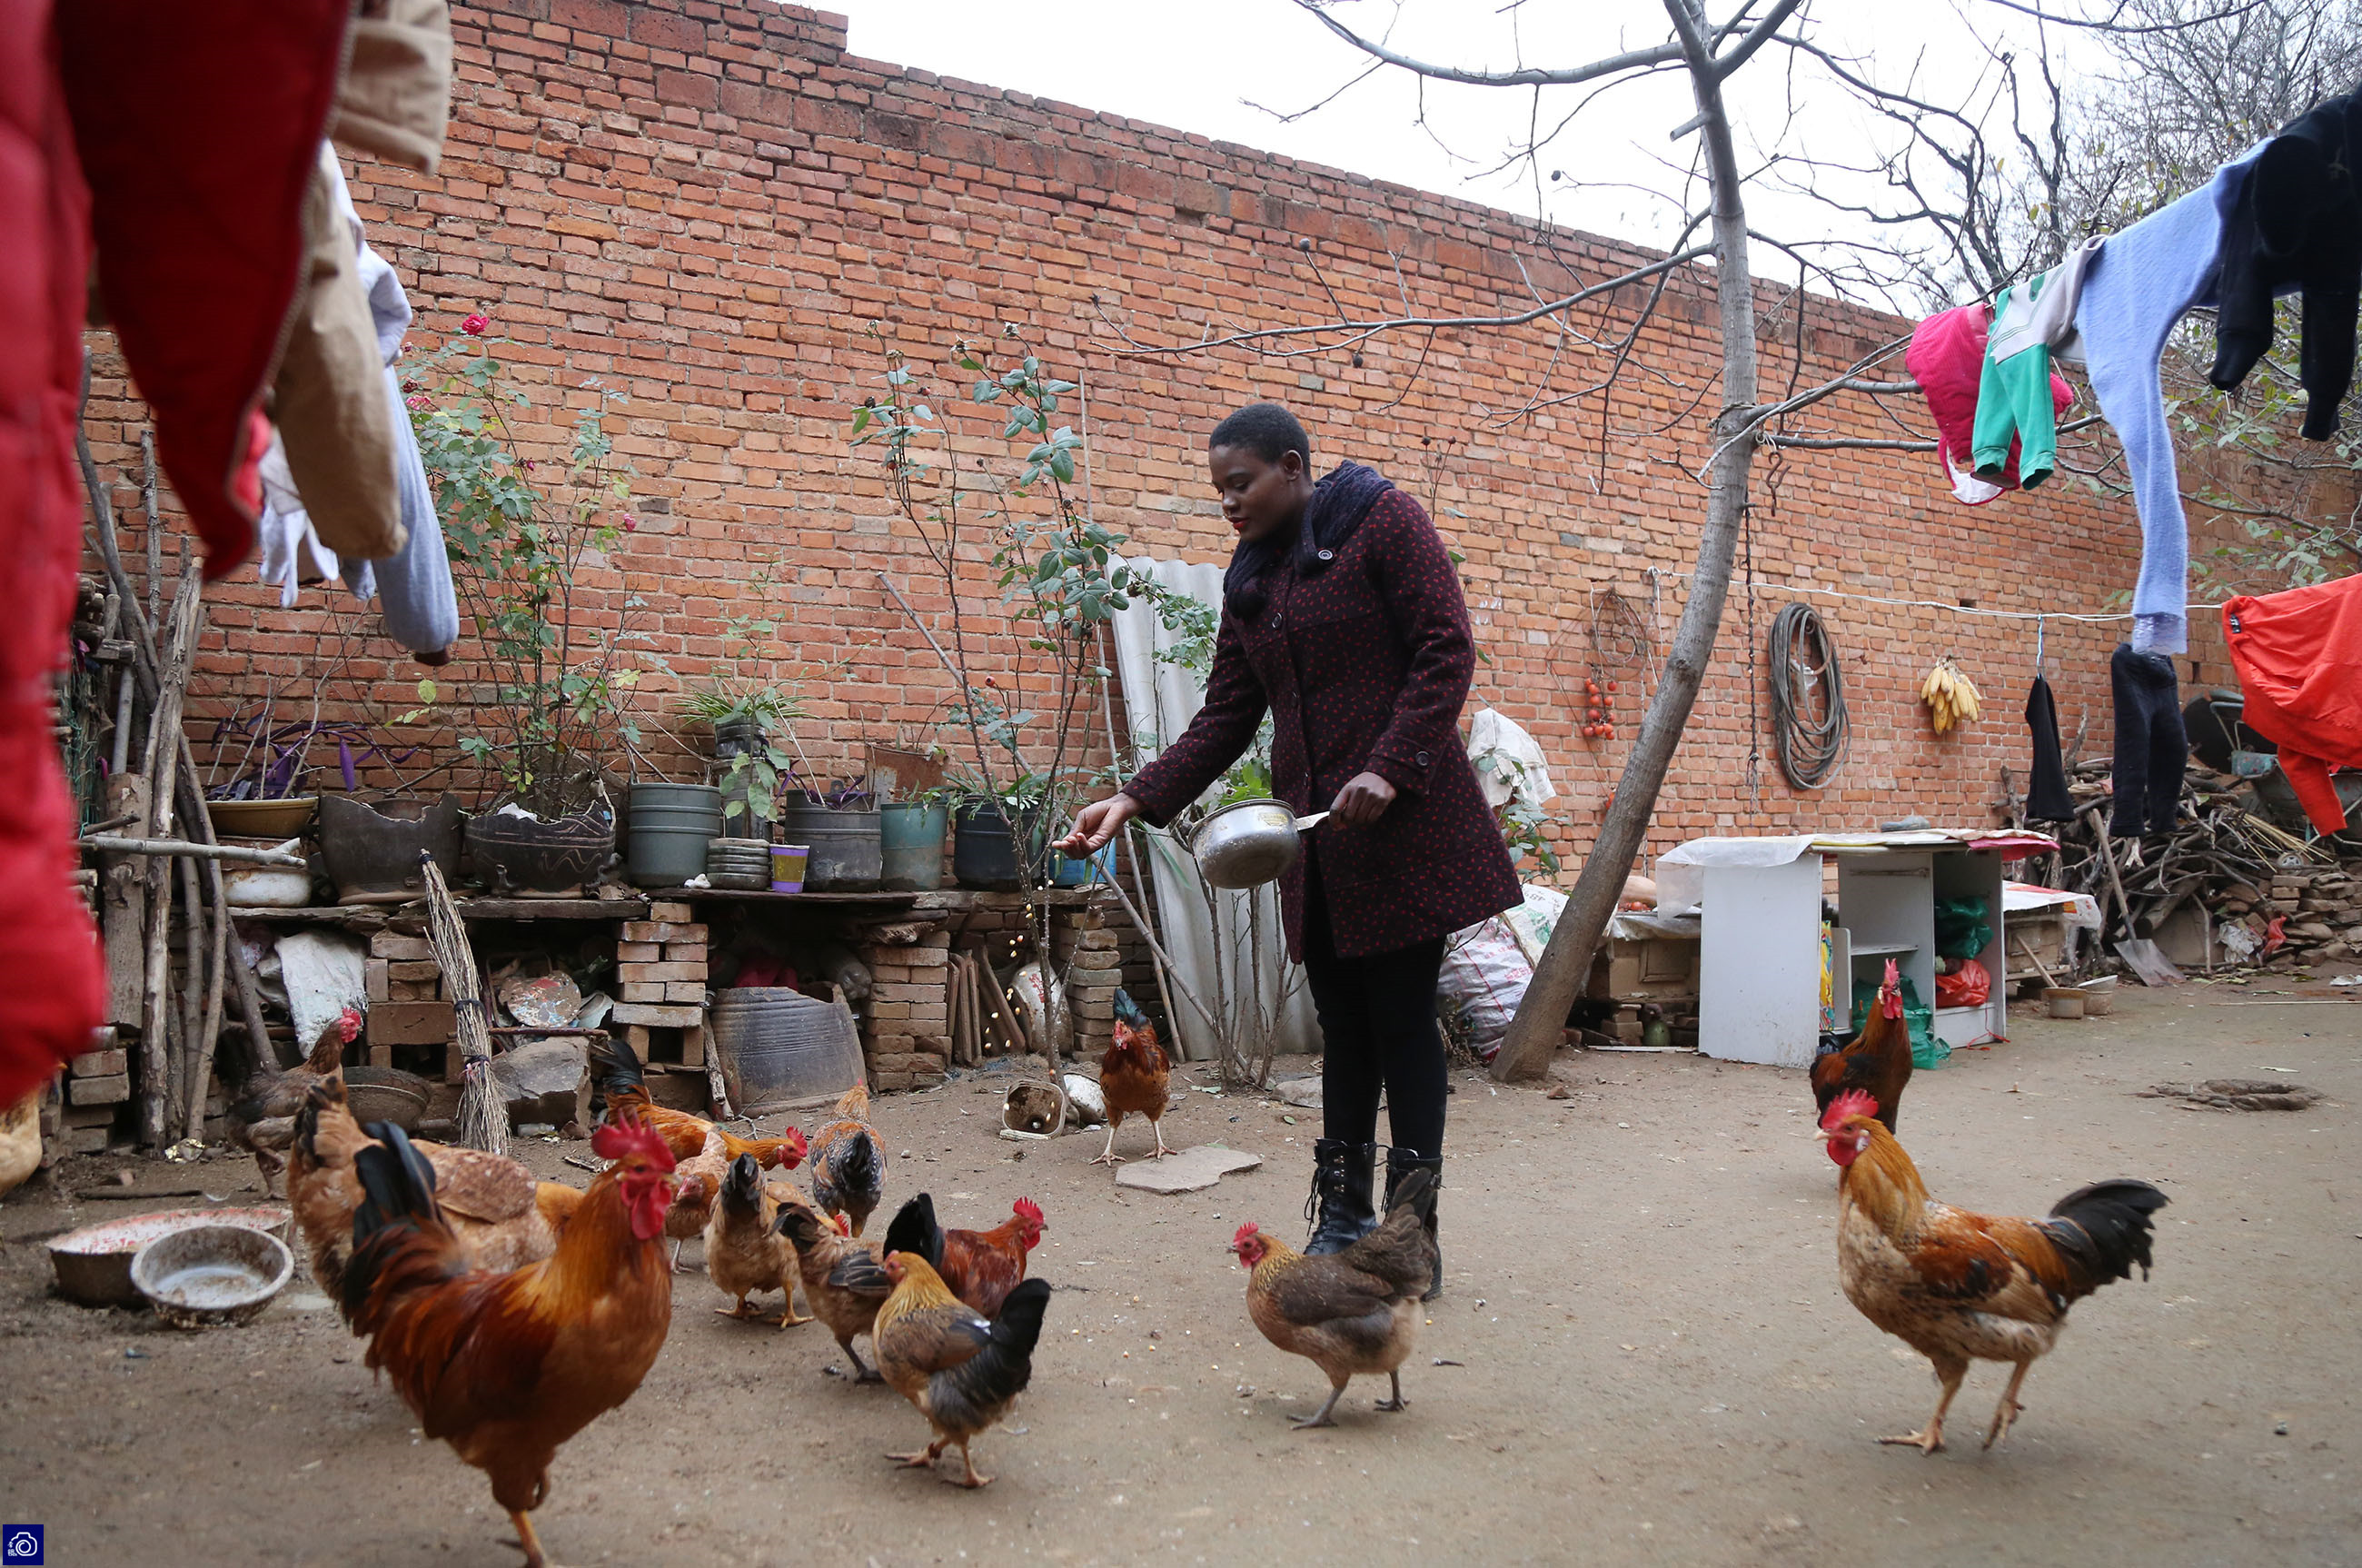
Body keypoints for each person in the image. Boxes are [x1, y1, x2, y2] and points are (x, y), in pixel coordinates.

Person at [1059, 402, 1519, 1298]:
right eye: (1217, 489)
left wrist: (1391, 766)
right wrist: (1131, 797)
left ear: (1292, 465)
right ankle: (1343, 1215)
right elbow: (1227, 713)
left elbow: (1444, 649)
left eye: (1241, 483)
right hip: (1316, 838)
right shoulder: (1253, 578)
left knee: (1399, 1020)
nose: (1227, 502)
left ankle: (1410, 1233)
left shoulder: (1381, 520)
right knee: (1344, 1024)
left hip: (1404, 822)